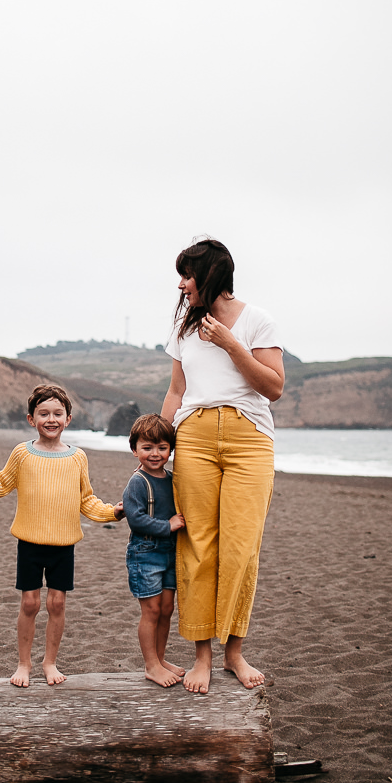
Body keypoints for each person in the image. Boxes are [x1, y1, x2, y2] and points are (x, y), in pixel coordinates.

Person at [160, 238, 284, 694]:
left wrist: (232, 344)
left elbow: (273, 388)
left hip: (249, 440)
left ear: (211, 275)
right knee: (197, 545)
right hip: (193, 437)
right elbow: (177, 391)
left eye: (187, 275)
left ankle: (234, 651)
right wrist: (160, 442)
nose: (181, 284)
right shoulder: (183, 328)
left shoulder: (257, 320)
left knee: (240, 547)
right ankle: (202, 655)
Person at [0, 384, 124, 687]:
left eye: (58, 413)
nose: (51, 419)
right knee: (30, 603)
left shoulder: (77, 457)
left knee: (57, 604)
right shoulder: (23, 452)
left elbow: (87, 499)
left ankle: (50, 662)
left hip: (64, 544)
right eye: (43, 413)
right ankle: (24, 664)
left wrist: (112, 513)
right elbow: (1, 483)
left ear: (68, 418)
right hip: (30, 543)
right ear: (31, 419)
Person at [122, 413, 186, 688]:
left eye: (162, 447)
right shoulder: (138, 482)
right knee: (151, 610)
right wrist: (168, 525)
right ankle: (151, 666)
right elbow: (135, 519)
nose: (155, 453)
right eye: (147, 448)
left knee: (167, 609)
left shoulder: (172, 479)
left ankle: (160, 659)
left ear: (171, 449)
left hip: (171, 552)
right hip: (145, 553)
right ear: (135, 449)